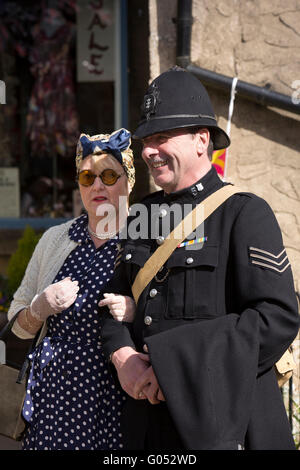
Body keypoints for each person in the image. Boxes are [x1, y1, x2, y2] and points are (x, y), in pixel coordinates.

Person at [100, 67, 300, 450]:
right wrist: (123, 355)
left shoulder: (244, 213)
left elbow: (277, 318)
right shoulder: (142, 214)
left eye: (161, 137)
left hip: (222, 425)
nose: (147, 151)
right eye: (145, 141)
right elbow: (110, 304)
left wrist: (174, 369)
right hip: (147, 428)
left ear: (200, 140)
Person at [7, 128, 136, 450]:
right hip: (51, 398)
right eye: (86, 177)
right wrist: (38, 308)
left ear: (128, 180)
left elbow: (174, 311)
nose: (97, 186)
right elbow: (15, 317)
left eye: (109, 175)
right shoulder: (55, 239)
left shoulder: (146, 237)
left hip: (116, 395)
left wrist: (137, 310)